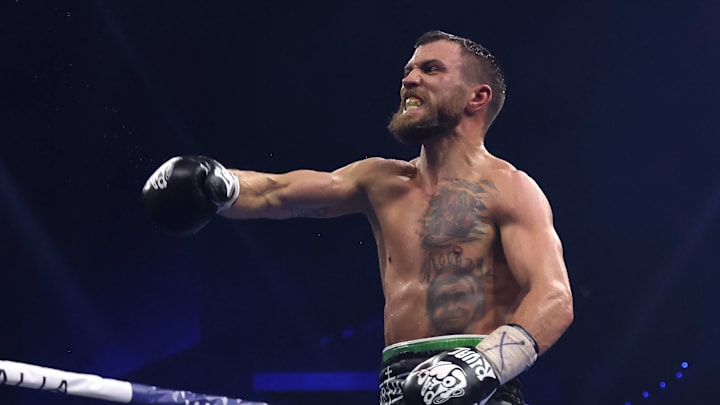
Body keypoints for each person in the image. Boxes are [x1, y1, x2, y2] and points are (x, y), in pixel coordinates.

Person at [142, 30, 574, 405]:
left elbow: (554, 299)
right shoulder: (380, 180)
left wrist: (482, 365)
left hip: (481, 385)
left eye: (431, 69)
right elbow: (277, 192)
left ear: (477, 97)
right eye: (408, 71)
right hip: (395, 382)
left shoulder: (510, 188)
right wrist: (216, 184)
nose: (409, 80)